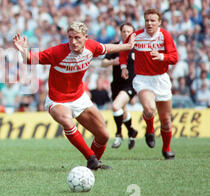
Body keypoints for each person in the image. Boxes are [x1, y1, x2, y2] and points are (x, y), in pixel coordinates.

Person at [13, 21, 135, 170]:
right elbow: (29, 59)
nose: (73, 41)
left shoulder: (92, 47)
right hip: (57, 100)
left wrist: (127, 46)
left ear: (85, 37)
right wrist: (23, 50)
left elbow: (108, 48)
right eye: (70, 37)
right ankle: (91, 158)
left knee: (103, 135)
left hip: (79, 97)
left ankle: (93, 166)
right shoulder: (57, 52)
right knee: (68, 121)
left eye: (77, 37)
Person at [119, 9, 178, 160]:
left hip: (161, 79)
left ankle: (166, 149)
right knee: (150, 109)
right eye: (147, 20)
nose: (149, 23)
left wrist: (161, 56)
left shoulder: (164, 35)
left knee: (165, 120)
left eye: (153, 20)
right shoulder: (136, 35)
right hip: (143, 79)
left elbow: (174, 57)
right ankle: (150, 130)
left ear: (159, 22)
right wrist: (123, 67)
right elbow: (124, 50)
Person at [101, 23, 138, 150]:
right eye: (124, 31)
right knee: (122, 111)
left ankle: (118, 134)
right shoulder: (116, 46)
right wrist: (113, 61)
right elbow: (103, 63)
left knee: (116, 106)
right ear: (120, 32)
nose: (126, 34)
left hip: (130, 84)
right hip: (116, 84)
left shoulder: (137, 47)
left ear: (133, 33)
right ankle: (132, 131)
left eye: (129, 31)